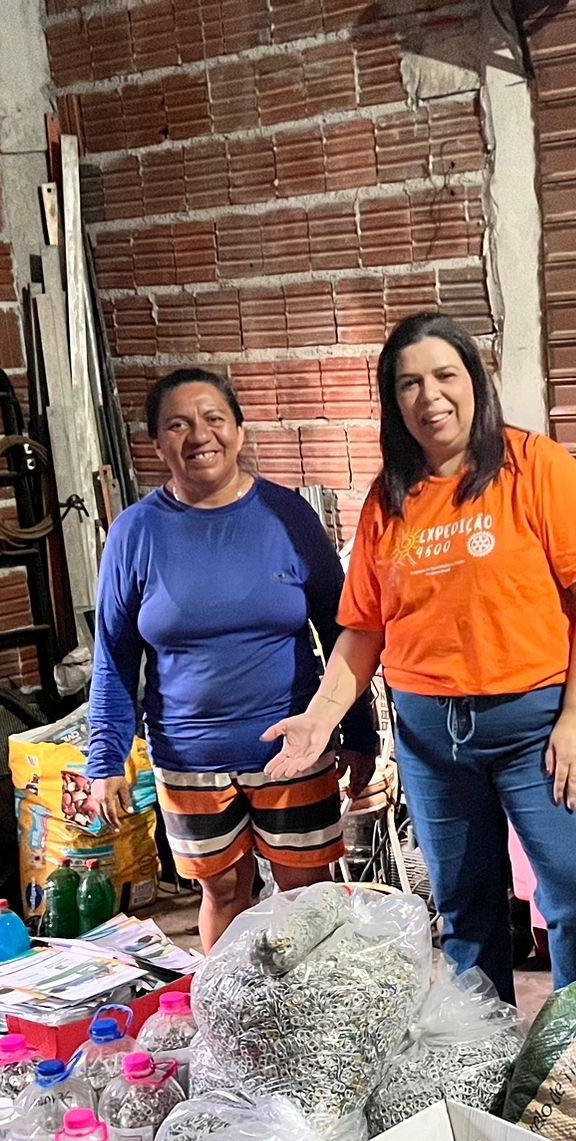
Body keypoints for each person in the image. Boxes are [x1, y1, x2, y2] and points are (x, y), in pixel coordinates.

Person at [263, 312, 576, 1001]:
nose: (430, 396)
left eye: (444, 375)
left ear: (474, 381)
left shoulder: (534, 466)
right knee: (465, 910)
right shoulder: (388, 499)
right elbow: (363, 629)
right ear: (394, 401)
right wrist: (320, 716)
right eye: (409, 384)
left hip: (538, 728)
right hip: (432, 740)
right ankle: (483, 1050)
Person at [87, 367, 378, 951]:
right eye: (178, 425)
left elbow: (344, 630)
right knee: (222, 891)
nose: (199, 436)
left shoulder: (288, 516)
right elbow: (114, 657)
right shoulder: (134, 533)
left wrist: (357, 731)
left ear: (240, 432)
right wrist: (105, 759)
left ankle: (315, 1004)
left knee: (306, 892)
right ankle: (227, 1004)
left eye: (214, 419)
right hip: (187, 755)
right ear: (157, 444)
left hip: (292, 750)